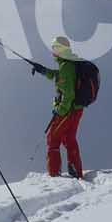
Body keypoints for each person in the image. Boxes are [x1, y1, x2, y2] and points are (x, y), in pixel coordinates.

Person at [31, 35, 85, 179]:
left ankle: (54, 174)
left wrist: (60, 110)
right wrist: (42, 70)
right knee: (69, 138)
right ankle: (75, 169)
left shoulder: (67, 66)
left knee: (53, 139)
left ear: (60, 49)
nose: (52, 51)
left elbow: (68, 93)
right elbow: (58, 76)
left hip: (68, 109)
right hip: (76, 109)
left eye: (54, 48)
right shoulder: (70, 64)